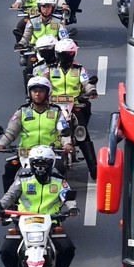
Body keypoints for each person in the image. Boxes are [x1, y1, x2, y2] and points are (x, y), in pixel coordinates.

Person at [0, 145, 78, 267]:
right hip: (24, 221)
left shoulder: (58, 180)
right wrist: (1, 207)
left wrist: (72, 208)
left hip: (51, 221)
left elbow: (67, 195)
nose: (40, 167)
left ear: (51, 164)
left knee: (68, 249)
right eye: (36, 164)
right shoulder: (23, 179)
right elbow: (10, 195)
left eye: (44, 164)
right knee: (6, 252)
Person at [0, 76, 71, 191]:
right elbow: (11, 131)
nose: (37, 94)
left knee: (59, 170)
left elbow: (63, 130)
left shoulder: (56, 112)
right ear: (29, 93)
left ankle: (60, 198)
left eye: (41, 91)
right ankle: (10, 204)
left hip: (50, 153)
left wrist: (67, 144)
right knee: (10, 168)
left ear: (47, 92)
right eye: (34, 91)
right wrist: (2, 143)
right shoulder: (22, 111)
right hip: (26, 152)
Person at [37, 38, 98, 178]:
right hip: (53, 105)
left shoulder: (79, 69)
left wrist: (91, 90)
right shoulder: (50, 69)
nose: (63, 57)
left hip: (74, 103)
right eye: (60, 53)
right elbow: (42, 81)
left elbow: (86, 81)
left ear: (73, 54)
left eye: (66, 54)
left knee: (82, 132)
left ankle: (93, 167)